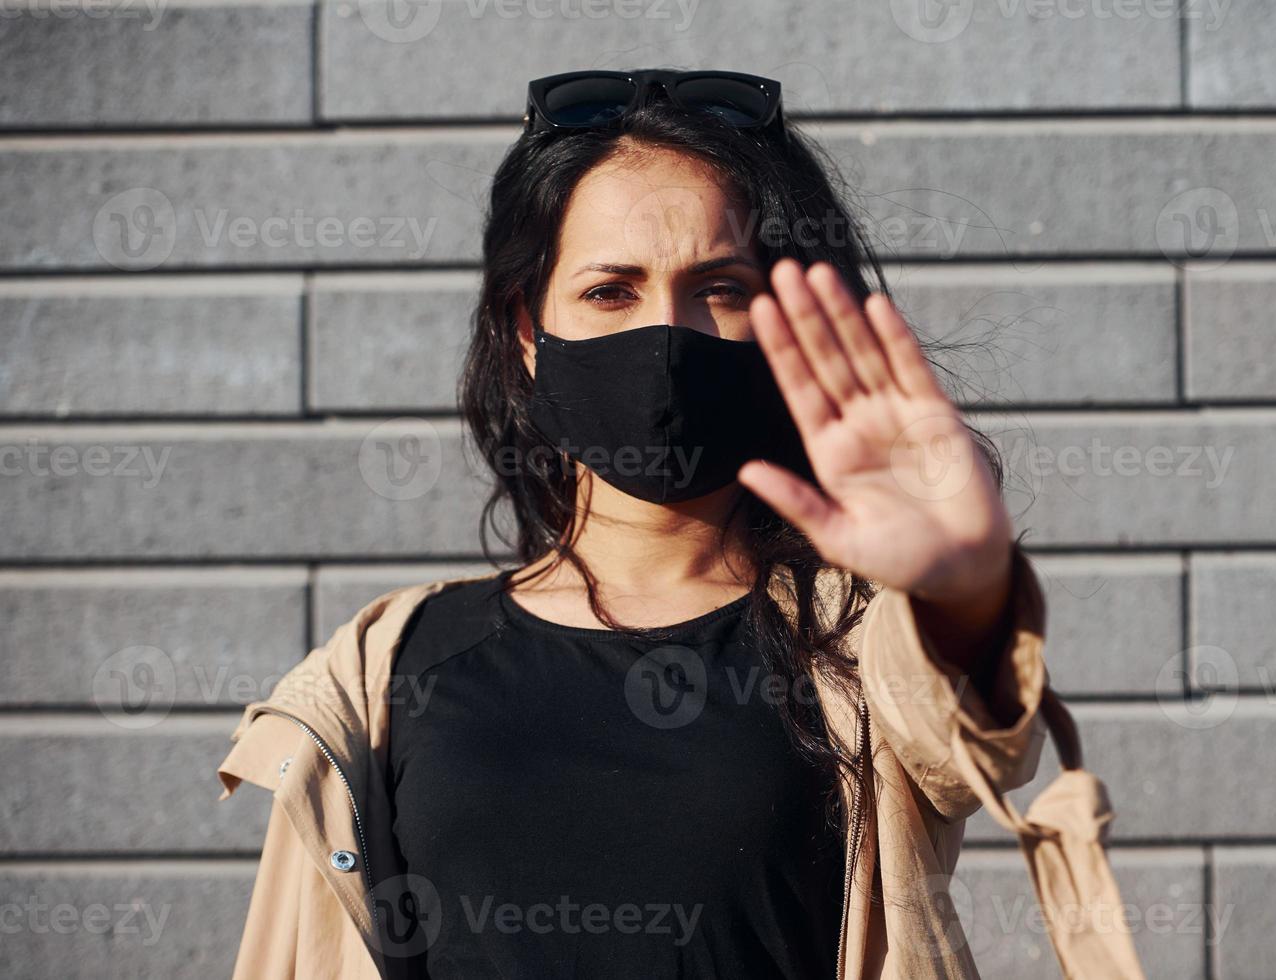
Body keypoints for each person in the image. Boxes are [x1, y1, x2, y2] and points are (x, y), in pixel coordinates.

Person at [216, 68, 1054, 980]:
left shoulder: (855, 638)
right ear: (529, 333)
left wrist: (964, 587)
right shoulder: (387, 664)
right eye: (611, 290)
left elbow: (971, 741)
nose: (667, 331)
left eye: (721, 288)